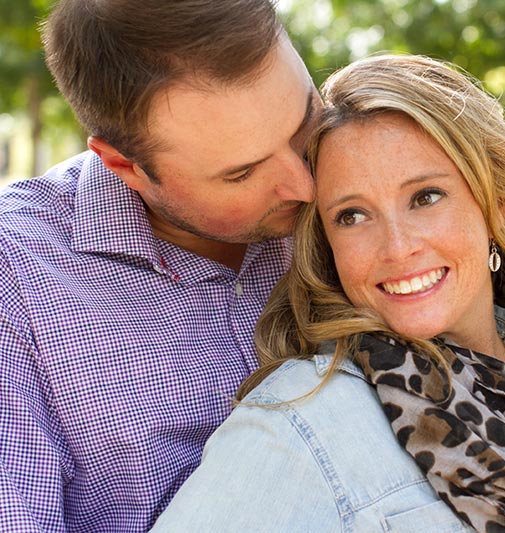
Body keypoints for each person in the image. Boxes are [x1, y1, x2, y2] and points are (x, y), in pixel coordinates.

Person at [153, 54, 505, 532]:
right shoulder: (305, 419)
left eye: (425, 197)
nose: (396, 247)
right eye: (353, 215)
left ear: (494, 201)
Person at [0, 1, 319, 531]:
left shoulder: (361, 177)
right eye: (241, 174)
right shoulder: (17, 278)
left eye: (305, 122)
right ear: (125, 166)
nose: (306, 187)